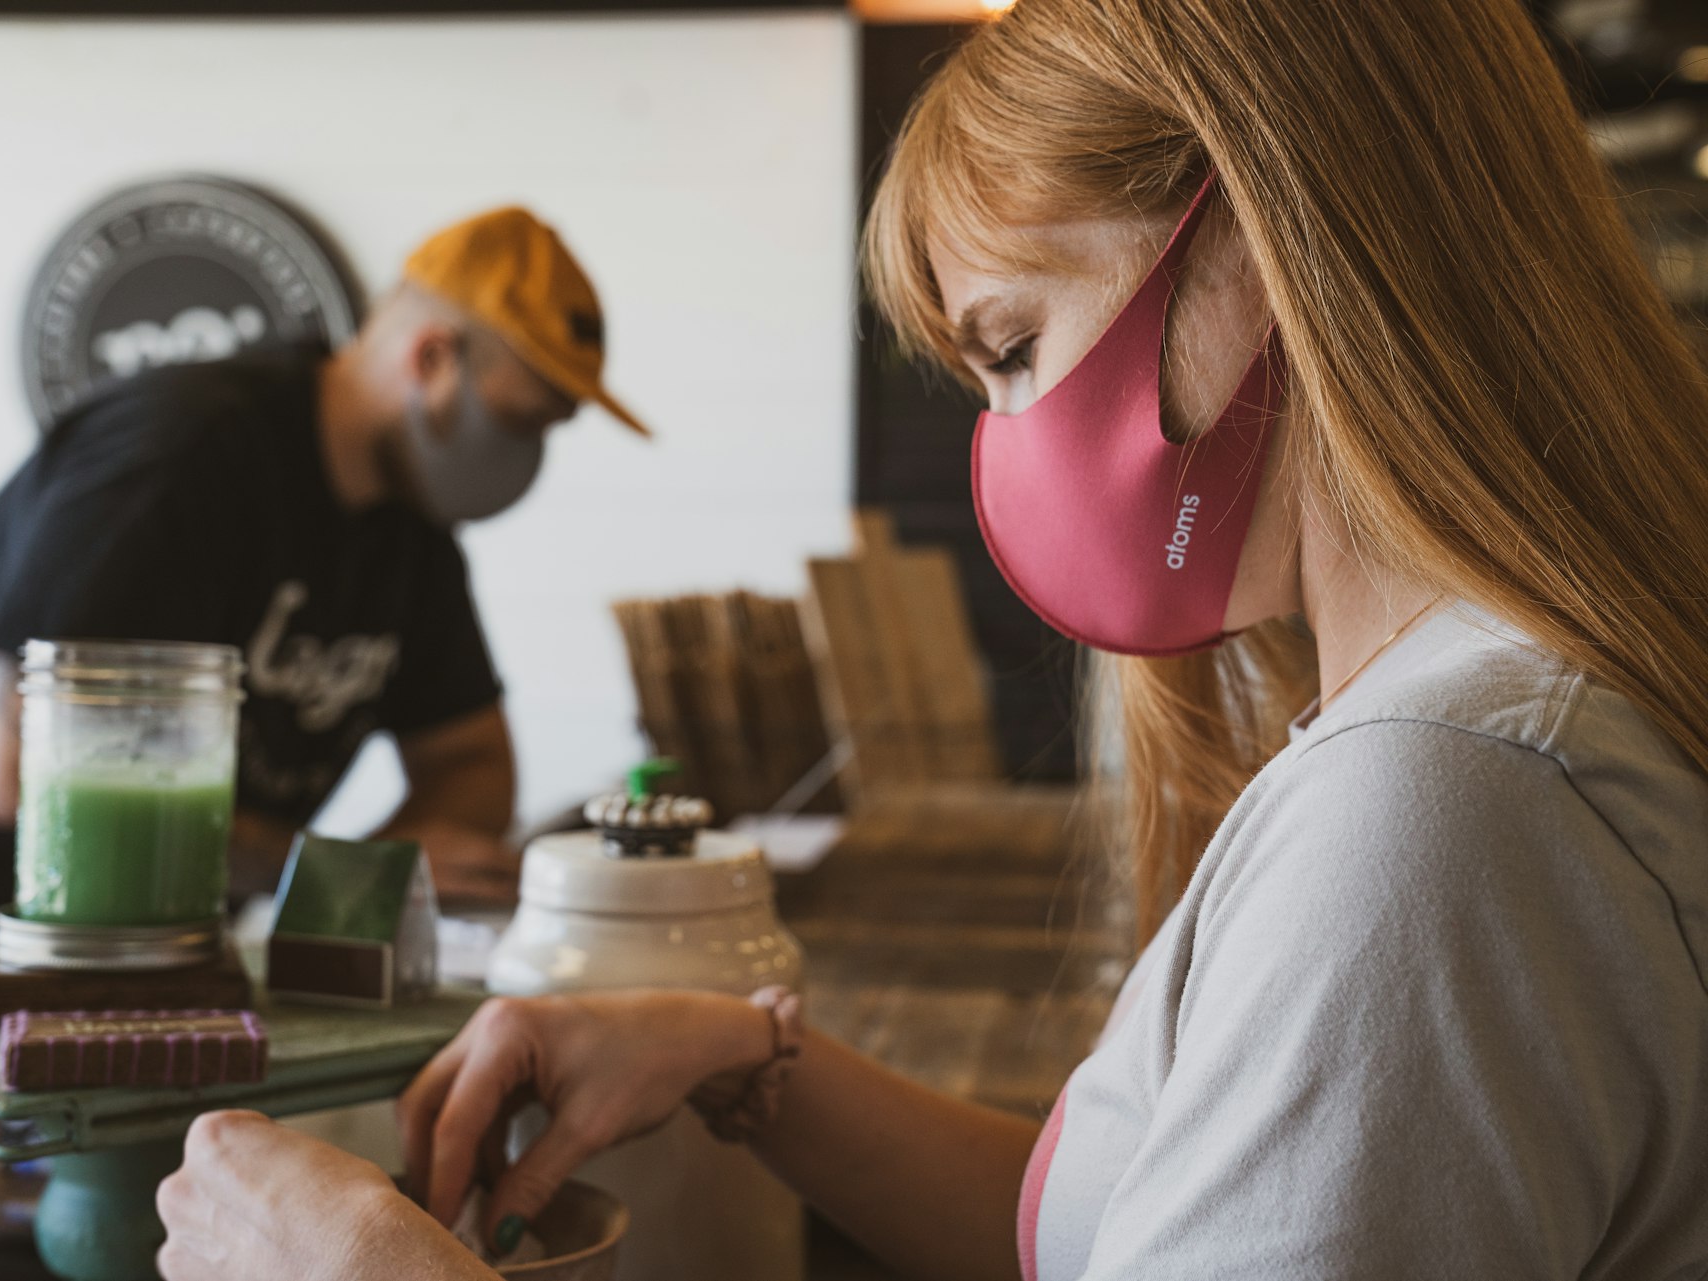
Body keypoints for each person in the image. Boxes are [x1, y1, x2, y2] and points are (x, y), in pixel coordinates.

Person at [151, 1, 1708, 1278]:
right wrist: (749, 1070)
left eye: (1014, 349)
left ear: (1266, 238)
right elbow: (1132, 1228)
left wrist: (375, 1269)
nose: (1009, 447)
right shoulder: (1469, 738)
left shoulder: (1439, 811)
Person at [0, 206, 650, 909]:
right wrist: (320, 874)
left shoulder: (410, 533)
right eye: (523, 420)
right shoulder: (178, 454)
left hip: (88, 932)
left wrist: (365, 881)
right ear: (431, 358)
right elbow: (20, 768)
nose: (529, 453)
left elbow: (472, 764)